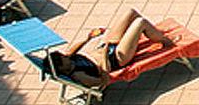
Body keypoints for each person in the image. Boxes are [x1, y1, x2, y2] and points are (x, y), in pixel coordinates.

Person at [46, 8, 177, 88]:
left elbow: (71, 51)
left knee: (130, 13)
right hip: (117, 57)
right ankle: (168, 43)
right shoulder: (78, 75)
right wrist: (103, 59)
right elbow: (103, 81)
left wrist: (89, 37)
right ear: (62, 67)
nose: (66, 56)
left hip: (106, 47)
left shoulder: (69, 59)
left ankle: (153, 33)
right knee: (139, 23)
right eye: (64, 59)